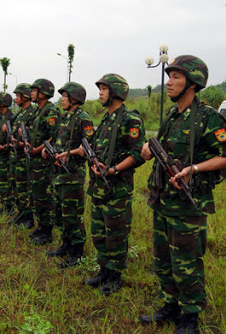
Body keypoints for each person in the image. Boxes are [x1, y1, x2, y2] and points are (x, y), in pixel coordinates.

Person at [139, 55, 226, 334]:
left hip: (187, 204)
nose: (168, 83)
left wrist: (194, 168)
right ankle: (170, 305)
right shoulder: (172, 115)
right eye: (169, 77)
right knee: (163, 259)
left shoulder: (208, 117)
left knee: (186, 262)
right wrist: (147, 149)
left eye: (176, 78)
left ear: (192, 83)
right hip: (163, 200)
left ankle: (190, 316)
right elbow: (162, 150)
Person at [78, 74, 146, 296]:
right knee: (99, 233)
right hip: (99, 187)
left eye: (104, 88)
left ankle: (115, 276)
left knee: (115, 234)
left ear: (116, 91)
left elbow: (138, 154)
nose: (100, 92)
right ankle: (103, 271)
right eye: (100, 88)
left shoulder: (130, 119)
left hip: (117, 188)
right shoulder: (107, 118)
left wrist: (114, 169)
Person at [45, 82, 93, 268]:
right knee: (60, 212)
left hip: (72, 174)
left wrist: (69, 154)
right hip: (59, 173)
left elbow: (88, 147)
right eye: (62, 96)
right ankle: (66, 244)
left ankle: (77, 251)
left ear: (75, 98)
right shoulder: (65, 117)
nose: (62, 99)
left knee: (72, 214)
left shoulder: (83, 118)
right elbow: (58, 139)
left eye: (65, 96)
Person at [25, 78, 61, 245]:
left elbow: (54, 136)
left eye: (34, 91)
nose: (31, 93)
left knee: (45, 196)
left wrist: (37, 149)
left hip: (44, 162)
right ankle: (40, 227)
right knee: (36, 195)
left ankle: (47, 231)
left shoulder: (50, 112)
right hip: (33, 160)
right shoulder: (36, 111)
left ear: (43, 93)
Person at [7, 83, 37, 228]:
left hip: (24, 157)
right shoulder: (20, 113)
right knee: (17, 187)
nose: (16, 99)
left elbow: (35, 135)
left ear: (25, 97)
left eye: (18, 96)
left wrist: (21, 143)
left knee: (25, 188)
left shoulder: (32, 112)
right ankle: (21, 213)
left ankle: (28, 217)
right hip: (15, 156)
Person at [0, 92, 15, 216]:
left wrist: (4, 146)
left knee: (6, 181)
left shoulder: (11, 117)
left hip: (6, 154)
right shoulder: (0, 116)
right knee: (1, 181)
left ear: (3, 102)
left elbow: (13, 136)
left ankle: (9, 207)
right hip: (0, 154)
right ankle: (5, 204)